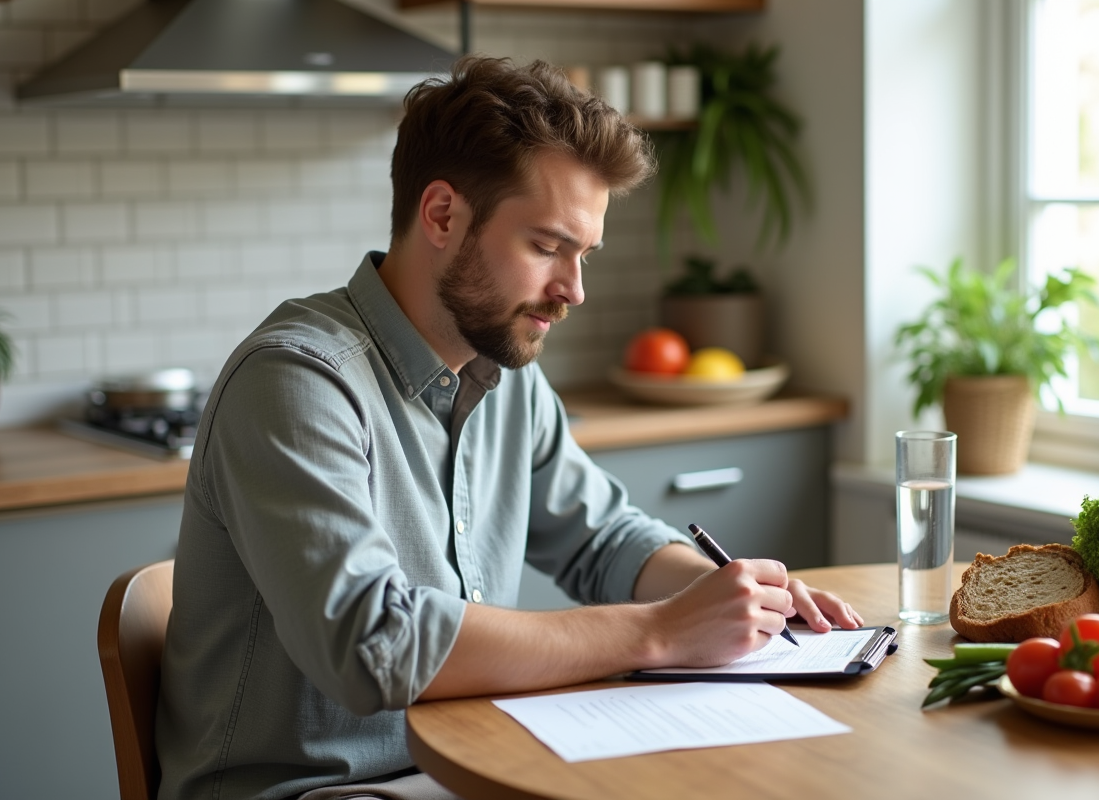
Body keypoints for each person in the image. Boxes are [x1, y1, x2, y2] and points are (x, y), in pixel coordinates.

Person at [155, 55, 863, 800]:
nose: (574, 291)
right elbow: (374, 646)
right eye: (548, 247)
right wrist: (663, 631)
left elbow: (602, 537)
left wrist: (731, 596)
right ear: (441, 215)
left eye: (583, 254)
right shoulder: (296, 381)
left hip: (465, 766)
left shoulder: (506, 374)